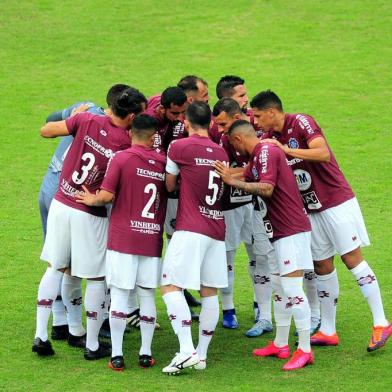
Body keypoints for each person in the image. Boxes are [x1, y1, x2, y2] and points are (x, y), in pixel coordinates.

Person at [251, 90, 391, 352]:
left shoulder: (301, 122)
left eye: (258, 116)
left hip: (336, 202)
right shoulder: (269, 138)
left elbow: (322, 152)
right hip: (311, 209)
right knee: (322, 265)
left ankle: (381, 321)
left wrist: (287, 151)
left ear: (272, 111)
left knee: (352, 258)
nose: (257, 122)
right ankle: (328, 329)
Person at [32, 88, 147, 360]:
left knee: (55, 268)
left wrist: (75, 117)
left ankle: (41, 334)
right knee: (96, 277)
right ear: (131, 115)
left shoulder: (87, 120)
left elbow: (46, 131)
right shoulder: (126, 146)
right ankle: (92, 345)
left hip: (61, 202)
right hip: (89, 211)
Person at [215, 120, 314, 371]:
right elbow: (245, 173)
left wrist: (232, 181)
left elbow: (267, 188)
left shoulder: (266, 152)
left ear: (238, 140)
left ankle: (304, 350)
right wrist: (225, 173)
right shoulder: (260, 155)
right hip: (281, 231)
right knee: (280, 286)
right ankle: (281, 344)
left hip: (290, 230)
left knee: (292, 289)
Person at [76, 114, 167, 371]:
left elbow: (106, 195)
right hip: (151, 239)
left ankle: (117, 355)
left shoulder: (122, 158)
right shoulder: (162, 162)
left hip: (123, 239)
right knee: (147, 294)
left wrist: (90, 199)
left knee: (119, 295)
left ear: (131, 133)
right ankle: (146, 353)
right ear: (153, 137)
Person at [160, 102, 229, 374]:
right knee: (209, 291)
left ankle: (186, 350)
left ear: (187, 122)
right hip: (217, 229)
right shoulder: (221, 151)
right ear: (209, 123)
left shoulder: (179, 147)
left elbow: (169, 183)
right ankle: (201, 356)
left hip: (190, 227)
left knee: (169, 285)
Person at [212, 98, 273, 335]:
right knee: (226, 256)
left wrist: (235, 175)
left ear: (237, 118)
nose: (219, 129)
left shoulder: (257, 133)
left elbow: (246, 170)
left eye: (222, 124)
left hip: (255, 204)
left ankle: (261, 309)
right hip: (228, 206)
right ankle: (228, 309)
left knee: (259, 256)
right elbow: (220, 171)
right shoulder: (220, 138)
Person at [144, 86, 188, 154]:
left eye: (183, 112)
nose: (180, 117)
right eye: (175, 113)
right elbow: (157, 153)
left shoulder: (171, 105)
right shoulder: (149, 121)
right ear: (162, 109)